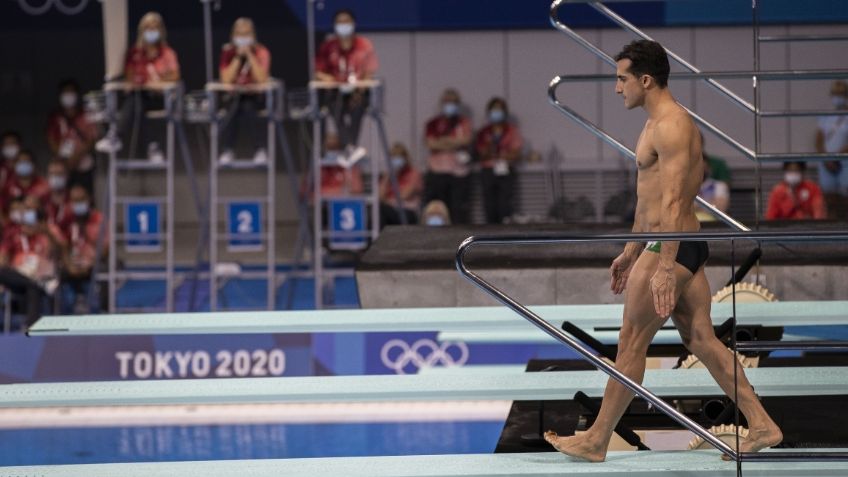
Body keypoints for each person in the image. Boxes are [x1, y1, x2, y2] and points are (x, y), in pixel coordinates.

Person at [544, 40, 782, 462]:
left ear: (646, 79)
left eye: (622, 79)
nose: (618, 89)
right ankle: (761, 423)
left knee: (631, 343)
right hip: (673, 244)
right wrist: (629, 251)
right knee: (703, 341)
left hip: (672, 246)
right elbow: (648, 202)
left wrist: (665, 266)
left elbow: (673, 203)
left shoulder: (672, 126)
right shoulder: (653, 124)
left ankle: (597, 439)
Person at [314, 9, 378, 148]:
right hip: (336, 92)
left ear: (353, 24)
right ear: (335, 25)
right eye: (340, 22)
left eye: (346, 21)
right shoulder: (328, 46)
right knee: (333, 105)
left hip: (358, 91)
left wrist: (360, 89)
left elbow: (369, 72)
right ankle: (349, 146)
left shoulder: (364, 45)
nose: (343, 25)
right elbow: (318, 72)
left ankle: (351, 145)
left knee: (359, 105)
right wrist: (330, 80)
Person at [123, 11, 181, 162]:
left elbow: (175, 75)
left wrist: (157, 78)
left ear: (161, 30)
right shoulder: (135, 53)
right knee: (136, 103)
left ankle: (152, 146)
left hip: (161, 97)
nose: (151, 31)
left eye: (155, 27)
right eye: (148, 28)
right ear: (142, 30)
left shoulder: (167, 53)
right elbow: (129, 76)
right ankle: (118, 136)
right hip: (141, 96)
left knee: (139, 103)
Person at [218, 17, 272, 164]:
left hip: (255, 97)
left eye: (246, 34)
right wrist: (237, 57)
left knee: (247, 106)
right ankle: (227, 150)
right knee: (234, 107)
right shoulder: (228, 53)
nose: (243, 37)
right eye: (239, 34)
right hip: (234, 97)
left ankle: (260, 149)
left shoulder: (261, 51)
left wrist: (249, 55)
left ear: (253, 35)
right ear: (233, 36)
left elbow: (262, 78)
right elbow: (226, 79)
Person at [0, 195, 59, 327]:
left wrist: (47, 233)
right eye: (25, 209)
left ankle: (31, 326)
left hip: (41, 275)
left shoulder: (47, 232)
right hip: (18, 277)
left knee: (33, 289)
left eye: (31, 210)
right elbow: (2, 257)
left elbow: (57, 252)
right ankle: (36, 284)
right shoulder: (13, 233)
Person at [423, 89, 473, 224]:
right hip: (437, 172)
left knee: (458, 210)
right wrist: (453, 142)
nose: (450, 105)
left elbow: (466, 140)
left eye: (453, 102)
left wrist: (442, 142)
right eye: (447, 102)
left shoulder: (464, 122)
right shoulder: (433, 123)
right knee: (438, 209)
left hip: (459, 173)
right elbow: (431, 144)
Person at [56, 185, 106, 315]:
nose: (78, 203)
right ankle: (60, 313)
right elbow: (63, 246)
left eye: (81, 199)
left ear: (89, 199)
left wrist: (90, 264)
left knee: (105, 270)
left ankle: (105, 310)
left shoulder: (99, 219)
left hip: (94, 263)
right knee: (58, 273)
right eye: (75, 200)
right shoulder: (66, 219)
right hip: (72, 263)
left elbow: (106, 250)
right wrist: (69, 265)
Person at [474, 97, 523, 224]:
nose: (496, 112)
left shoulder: (511, 131)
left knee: (505, 204)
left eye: (499, 109)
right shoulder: (483, 132)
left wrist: (500, 154)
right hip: (488, 170)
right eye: (494, 109)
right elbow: (481, 154)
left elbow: (515, 153)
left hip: (505, 170)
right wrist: (492, 150)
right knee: (489, 204)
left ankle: (505, 232)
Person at [46, 79, 98, 194]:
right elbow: (51, 138)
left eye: (71, 92)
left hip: (84, 164)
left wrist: (77, 157)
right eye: (65, 92)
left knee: (84, 195)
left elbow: (92, 138)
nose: (68, 96)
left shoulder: (86, 114)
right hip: (63, 165)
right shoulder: (56, 116)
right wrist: (62, 159)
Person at [814, 80, 848, 218]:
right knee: (829, 197)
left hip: (845, 162)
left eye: (841, 94)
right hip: (826, 162)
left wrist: (839, 155)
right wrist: (826, 157)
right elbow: (819, 139)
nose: (837, 97)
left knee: (845, 196)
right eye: (835, 94)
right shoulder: (826, 115)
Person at [379, 142, 423, 227]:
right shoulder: (389, 176)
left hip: (408, 211)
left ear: (405, 158)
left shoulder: (414, 173)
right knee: (380, 211)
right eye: (393, 158)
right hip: (390, 210)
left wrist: (388, 201)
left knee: (383, 210)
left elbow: (403, 196)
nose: (396, 161)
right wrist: (388, 176)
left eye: (399, 158)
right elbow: (380, 197)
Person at [2, 150, 50, 218]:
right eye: (20, 162)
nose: (23, 164)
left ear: (33, 164)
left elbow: (47, 210)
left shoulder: (44, 186)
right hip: (13, 225)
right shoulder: (8, 186)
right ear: (15, 164)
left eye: (26, 161)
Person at [695, 153, 730, 222]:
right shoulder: (684, 187)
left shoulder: (719, 186)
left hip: (715, 224)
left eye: (704, 168)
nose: (701, 172)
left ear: (709, 168)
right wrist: (710, 204)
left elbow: (719, 208)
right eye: (697, 168)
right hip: (691, 224)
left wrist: (696, 208)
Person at [44, 160, 72, 226]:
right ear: (47, 177)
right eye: (52, 174)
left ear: (67, 176)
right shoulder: (41, 201)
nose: (56, 178)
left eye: (59, 174)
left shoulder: (74, 200)